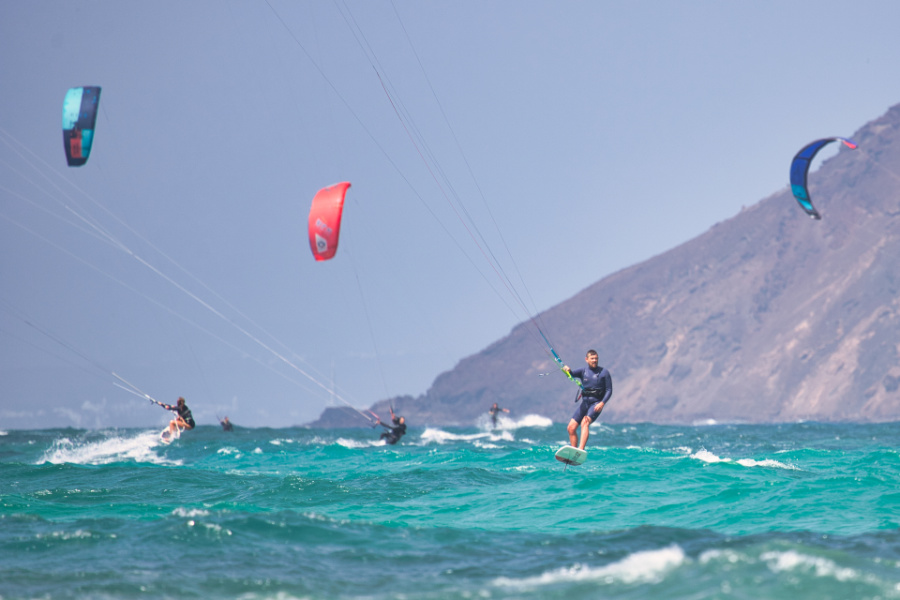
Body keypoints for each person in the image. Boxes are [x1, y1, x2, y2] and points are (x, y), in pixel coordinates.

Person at [563, 349, 612, 450]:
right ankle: (573, 451)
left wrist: (602, 403)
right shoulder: (583, 371)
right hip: (585, 404)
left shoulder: (604, 372)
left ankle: (580, 450)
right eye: (592, 358)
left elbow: (609, 390)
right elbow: (571, 374)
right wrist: (566, 370)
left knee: (585, 422)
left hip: (596, 404)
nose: (594, 360)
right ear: (587, 359)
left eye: (596, 358)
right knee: (571, 428)